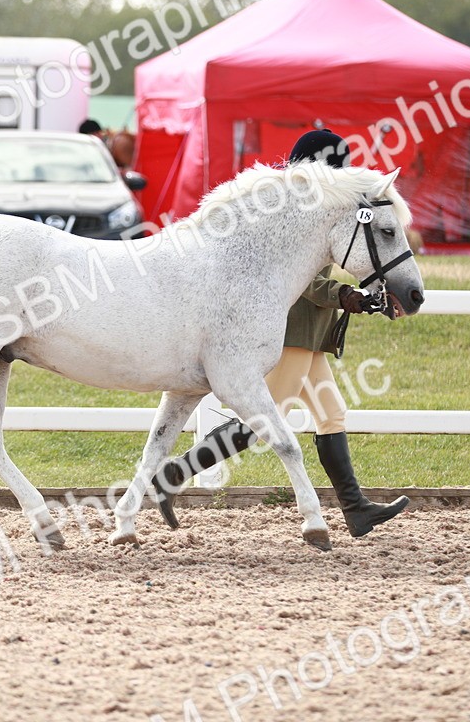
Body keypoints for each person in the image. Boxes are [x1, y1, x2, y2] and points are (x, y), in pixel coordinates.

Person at [150, 129, 410, 537]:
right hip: (291, 331)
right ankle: (174, 474)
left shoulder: (320, 207)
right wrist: (347, 296)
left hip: (314, 335)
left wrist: (370, 294)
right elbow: (303, 282)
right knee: (267, 419)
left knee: (331, 414)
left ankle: (356, 509)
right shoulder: (286, 212)